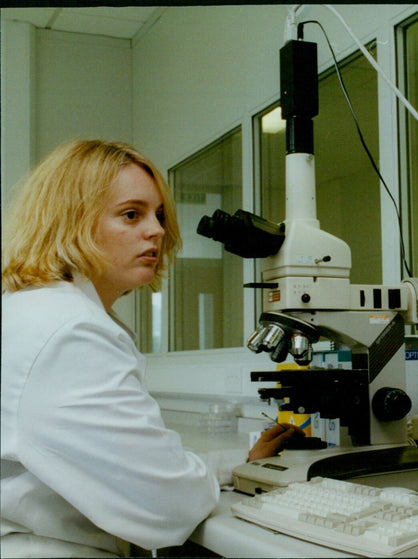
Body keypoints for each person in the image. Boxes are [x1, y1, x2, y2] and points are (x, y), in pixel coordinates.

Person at [1, 139, 302, 557]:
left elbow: (144, 467)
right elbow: (168, 505)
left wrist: (238, 464)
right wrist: (210, 475)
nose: (158, 230)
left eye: (159, 215)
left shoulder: (37, 309)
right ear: (69, 222)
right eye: (131, 214)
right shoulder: (68, 330)